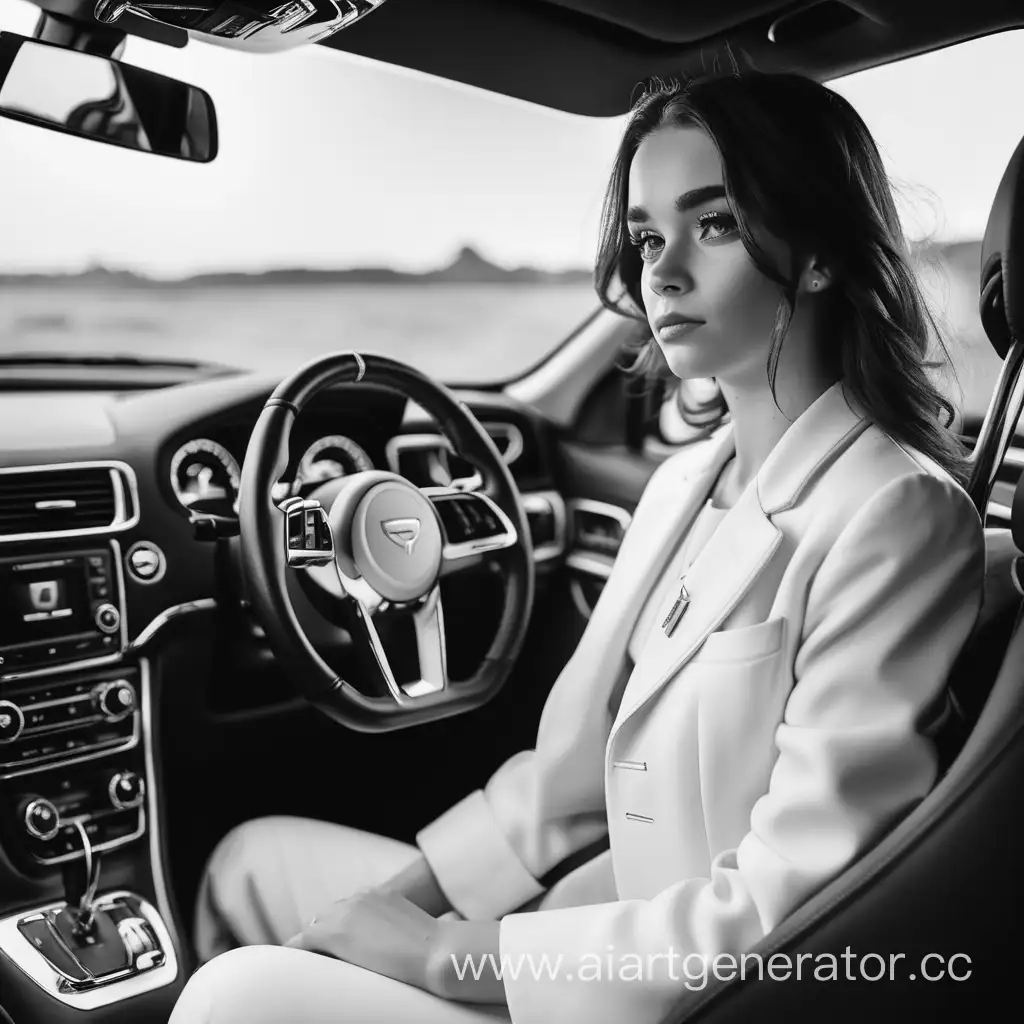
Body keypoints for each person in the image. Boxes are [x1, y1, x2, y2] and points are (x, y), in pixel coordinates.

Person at [168, 70, 986, 1024]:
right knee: (246, 865)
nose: (662, 270)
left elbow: (790, 908)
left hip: (671, 998)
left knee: (236, 994)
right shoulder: (685, 482)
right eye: (646, 236)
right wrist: (411, 899)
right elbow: (567, 782)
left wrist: (443, 957)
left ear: (816, 255)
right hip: (571, 927)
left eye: (713, 223)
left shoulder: (895, 515)